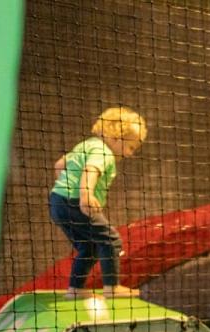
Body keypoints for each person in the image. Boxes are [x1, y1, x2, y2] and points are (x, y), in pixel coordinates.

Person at [50, 106, 147, 299]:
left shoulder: (86, 145)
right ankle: (112, 287)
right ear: (116, 138)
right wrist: (85, 194)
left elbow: (59, 164)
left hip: (58, 202)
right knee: (111, 240)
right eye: (130, 147)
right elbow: (91, 169)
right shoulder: (103, 152)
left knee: (89, 246)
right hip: (76, 202)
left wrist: (65, 186)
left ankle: (75, 289)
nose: (129, 154)